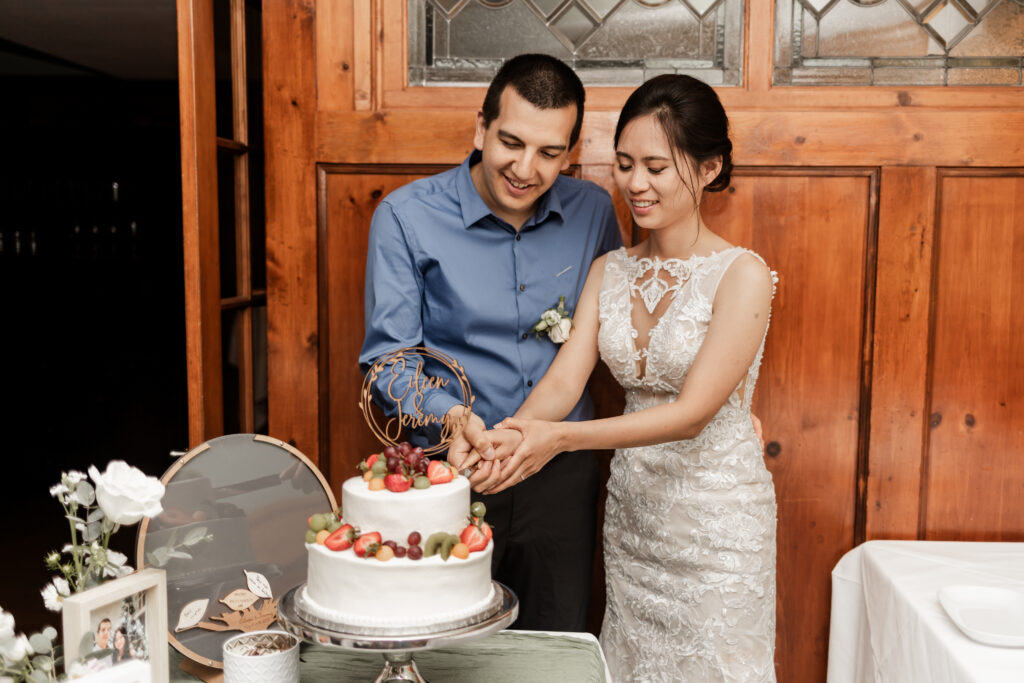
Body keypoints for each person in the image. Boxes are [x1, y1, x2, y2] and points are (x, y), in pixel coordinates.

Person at [463, 74, 778, 681]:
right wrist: (513, 433)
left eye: (657, 167)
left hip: (716, 522)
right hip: (635, 520)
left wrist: (560, 440)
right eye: (626, 163)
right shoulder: (610, 269)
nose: (636, 184)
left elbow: (693, 413)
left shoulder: (743, 275)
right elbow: (564, 382)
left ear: (709, 168)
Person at [359, 54, 622, 631]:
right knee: (445, 647)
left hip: (560, 470)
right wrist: (452, 418)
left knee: (555, 642)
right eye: (511, 142)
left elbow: (623, 328)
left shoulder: (595, 214)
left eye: (550, 153)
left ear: (571, 153)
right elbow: (386, 362)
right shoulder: (405, 217)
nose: (526, 168)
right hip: (451, 468)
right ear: (481, 127)